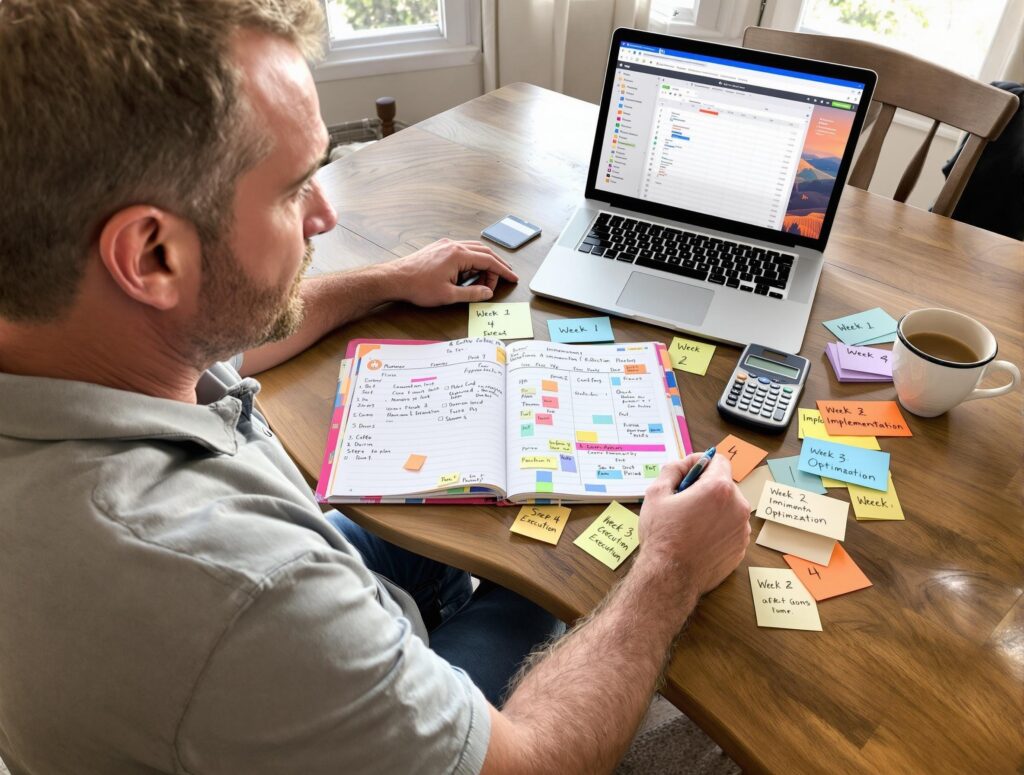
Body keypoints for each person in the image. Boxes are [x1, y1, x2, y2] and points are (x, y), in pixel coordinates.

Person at [0, 1, 751, 773]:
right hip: (285, 651)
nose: (324, 212)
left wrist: (390, 279)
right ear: (152, 256)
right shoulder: (244, 590)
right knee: (563, 587)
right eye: (295, 190)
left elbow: (238, 348)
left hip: (245, 667)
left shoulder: (74, 338)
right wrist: (670, 570)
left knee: (497, 545)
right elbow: (537, 765)